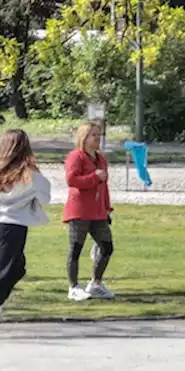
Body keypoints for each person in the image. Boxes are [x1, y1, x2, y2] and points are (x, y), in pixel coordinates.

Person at [0, 129, 51, 339]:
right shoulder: (29, 174)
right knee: (3, 271)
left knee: (17, 268)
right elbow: (45, 198)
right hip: (14, 226)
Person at [63, 121, 114, 302]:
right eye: (93, 135)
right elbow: (72, 180)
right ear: (84, 137)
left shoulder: (101, 159)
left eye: (99, 135)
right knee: (76, 248)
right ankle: (73, 287)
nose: (97, 139)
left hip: (98, 211)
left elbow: (104, 186)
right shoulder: (76, 157)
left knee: (107, 246)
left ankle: (96, 283)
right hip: (80, 210)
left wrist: (107, 207)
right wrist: (94, 177)